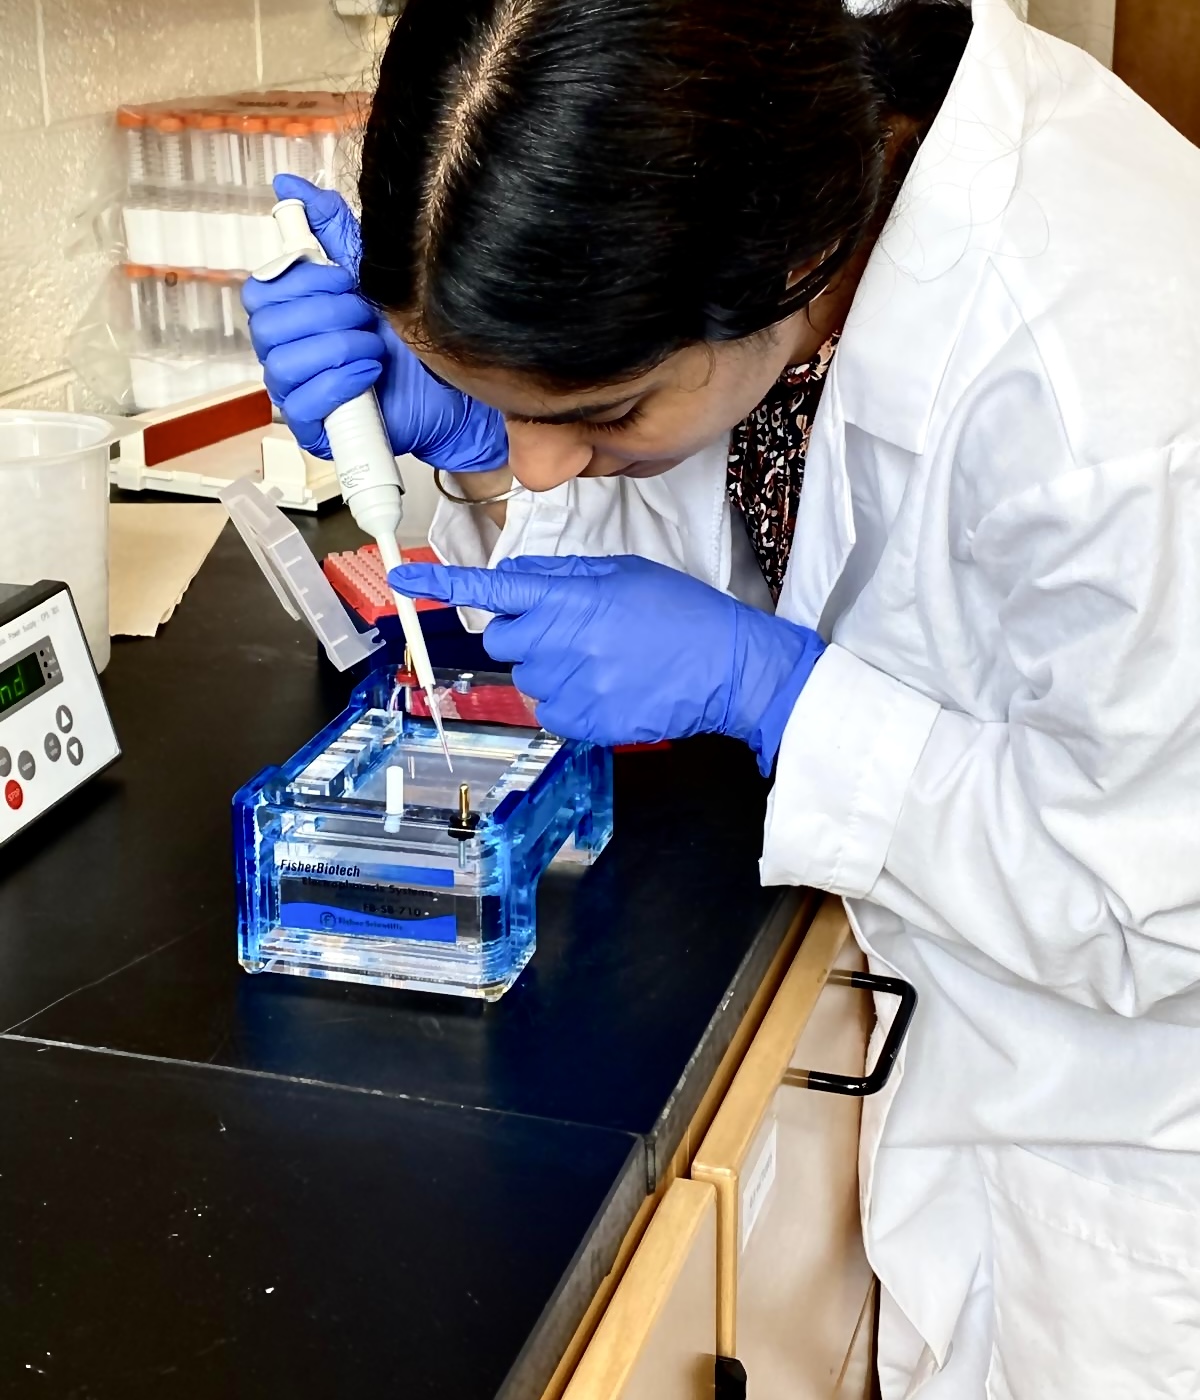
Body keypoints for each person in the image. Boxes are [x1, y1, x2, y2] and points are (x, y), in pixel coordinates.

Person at [243, 0, 1200, 1392]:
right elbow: (759, 487)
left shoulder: (1112, 396)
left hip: (1126, 1159)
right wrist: (479, 419)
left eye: (606, 412)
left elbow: (1155, 894)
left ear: (793, 262)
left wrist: (779, 694)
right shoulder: (812, 142)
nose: (558, 467)